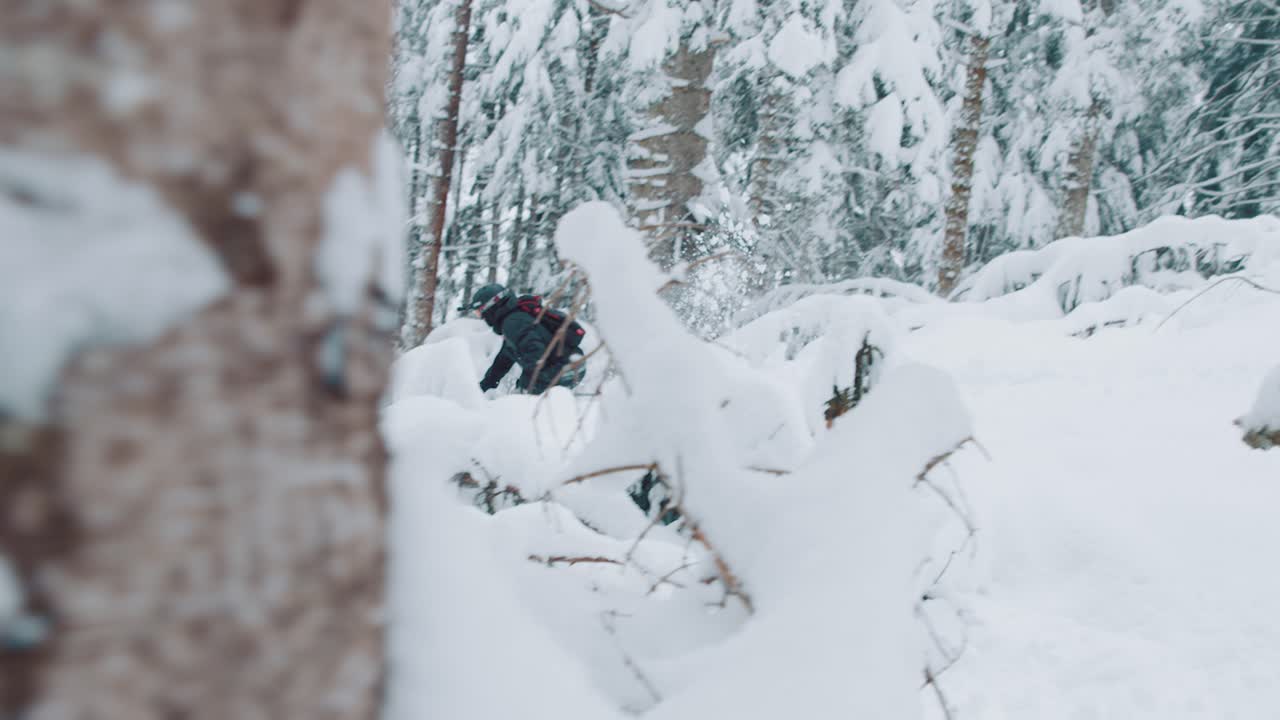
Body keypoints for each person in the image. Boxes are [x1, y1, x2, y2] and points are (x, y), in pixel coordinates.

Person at [461, 283, 587, 394]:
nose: (481, 317)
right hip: (571, 366)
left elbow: (536, 355)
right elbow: (504, 358)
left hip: (565, 369)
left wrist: (523, 388)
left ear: (491, 306)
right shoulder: (513, 319)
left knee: (524, 406)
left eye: (479, 311)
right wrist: (485, 385)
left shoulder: (513, 322)